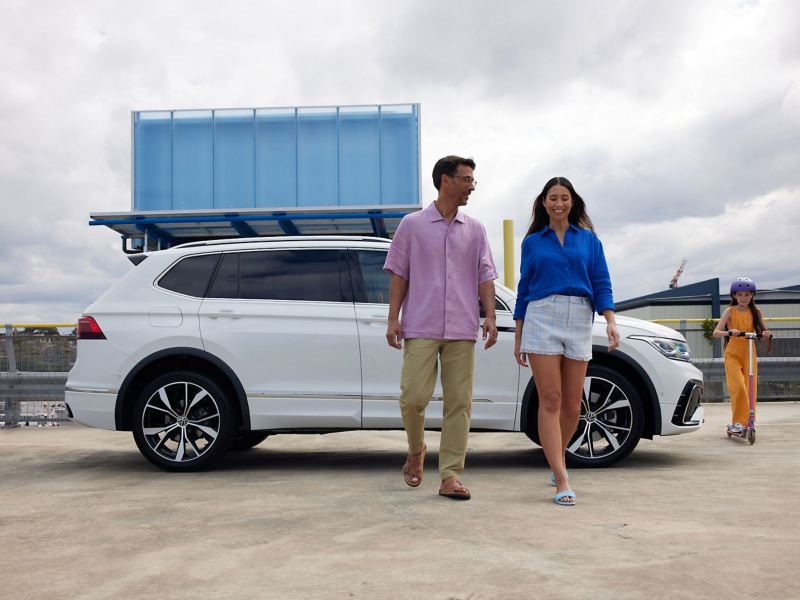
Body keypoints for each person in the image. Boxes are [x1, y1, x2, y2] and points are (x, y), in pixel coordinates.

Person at [384, 155, 498, 501]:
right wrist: (393, 318)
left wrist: (490, 316)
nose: (471, 187)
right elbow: (399, 274)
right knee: (413, 398)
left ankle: (450, 475)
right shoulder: (412, 225)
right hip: (420, 323)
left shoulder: (475, 229)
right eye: (467, 180)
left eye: (473, 181)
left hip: (462, 326)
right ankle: (417, 449)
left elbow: (485, 275)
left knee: (459, 404)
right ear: (445, 180)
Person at [513, 177, 620, 506]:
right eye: (552, 198)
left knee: (574, 406)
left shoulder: (589, 241)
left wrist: (611, 321)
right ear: (543, 203)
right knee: (551, 399)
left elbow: (601, 281)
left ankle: (556, 456)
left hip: (579, 316)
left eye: (564, 198)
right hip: (541, 315)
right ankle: (562, 476)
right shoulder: (532, 242)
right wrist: (519, 336)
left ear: (572, 202)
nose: (558, 203)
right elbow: (524, 288)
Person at [712, 277, 773, 436]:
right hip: (733, 353)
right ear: (734, 296)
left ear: (752, 295)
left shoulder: (756, 311)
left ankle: (749, 422)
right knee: (738, 388)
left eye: (747, 294)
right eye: (740, 294)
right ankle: (738, 423)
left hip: (749, 352)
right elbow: (716, 332)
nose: (743, 298)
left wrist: (766, 334)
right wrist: (729, 332)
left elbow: (764, 331)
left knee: (750, 388)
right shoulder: (729, 311)